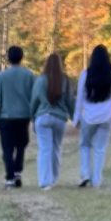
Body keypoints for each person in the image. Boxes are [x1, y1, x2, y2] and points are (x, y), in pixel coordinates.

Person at [72, 44, 111, 187]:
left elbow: (80, 98)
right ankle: (97, 180)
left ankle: (85, 175)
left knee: (85, 145)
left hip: (88, 115)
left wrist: (76, 118)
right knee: (100, 148)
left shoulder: (86, 73)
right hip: (106, 114)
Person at [29, 53, 75, 189]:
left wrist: (32, 118)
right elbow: (70, 101)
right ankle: (54, 178)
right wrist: (73, 117)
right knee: (56, 149)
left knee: (44, 149)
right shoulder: (65, 80)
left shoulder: (40, 80)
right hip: (59, 119)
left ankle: (45, 182)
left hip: (42, 117)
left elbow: (34, 101)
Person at [0, 45, 35, 188]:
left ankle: (10, 177)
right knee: (21, 145)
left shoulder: (2, 76)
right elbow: (34, 96)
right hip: (23, 117)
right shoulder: (28, 75)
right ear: (22, 57)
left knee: (8, 148)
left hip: (6, 117)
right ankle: (17, 171)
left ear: (8, 58)